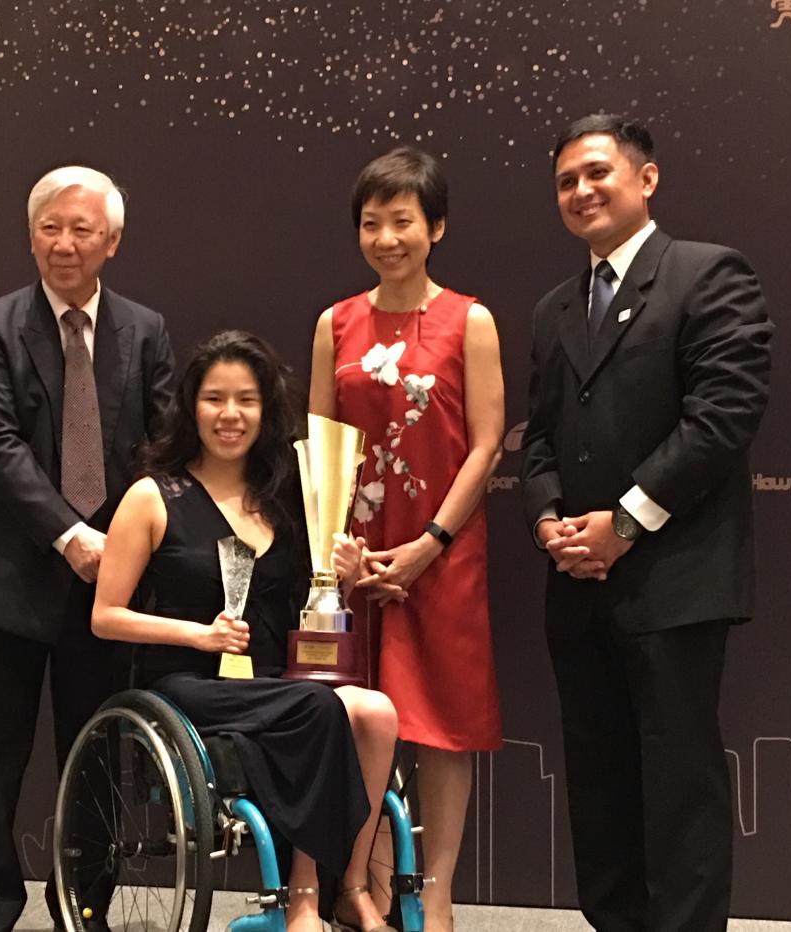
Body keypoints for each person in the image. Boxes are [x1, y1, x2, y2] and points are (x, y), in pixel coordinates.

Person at [520, 113, 774, 931]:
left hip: (676, 581)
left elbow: (723, 417)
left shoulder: (708, 276)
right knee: (599, 787)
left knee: (679, 789)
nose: (582, 191)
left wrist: (624, 524)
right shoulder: (555, 306)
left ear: (646, 178)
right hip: (578, 588)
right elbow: (541, 443)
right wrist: (549, 520)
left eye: (597, 173)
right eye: (566, 181)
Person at [93, 330, 401, 932]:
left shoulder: (288, 495)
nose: (230, 415)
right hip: (187, 683)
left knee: (379, 712)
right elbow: (105, 617)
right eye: (214, 399)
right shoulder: (153, 496)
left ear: (267, 410)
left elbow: (310, 597)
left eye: (246, 400)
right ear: (191, 406)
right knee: (318, 708)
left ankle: (356, 885)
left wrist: (344, 571)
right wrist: (198, 636)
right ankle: (305, 897)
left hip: (274, 679)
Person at [0, 165, 175, 932]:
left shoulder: (144, 331)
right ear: (30, 235)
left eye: (82, 230)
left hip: (106, 593)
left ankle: (84, 909)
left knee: (97, 759)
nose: (64, 243)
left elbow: (163, 447)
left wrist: (130, 547)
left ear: (112, 241)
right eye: (50, 227)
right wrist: (74, 535)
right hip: (8, 582)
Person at [308, 147, 504, 932]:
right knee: (363, 717)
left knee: (445, 726)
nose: (386, 237)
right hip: (357, 554)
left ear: (436, 226)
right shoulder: (336, 322)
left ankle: (440, 888)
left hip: (442, 552)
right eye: (371, 222)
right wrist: (338, 556)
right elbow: (321, 441)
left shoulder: (470, 319)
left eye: (403, 220)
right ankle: (377, 890)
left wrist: (429, 543)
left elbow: (487, 445)